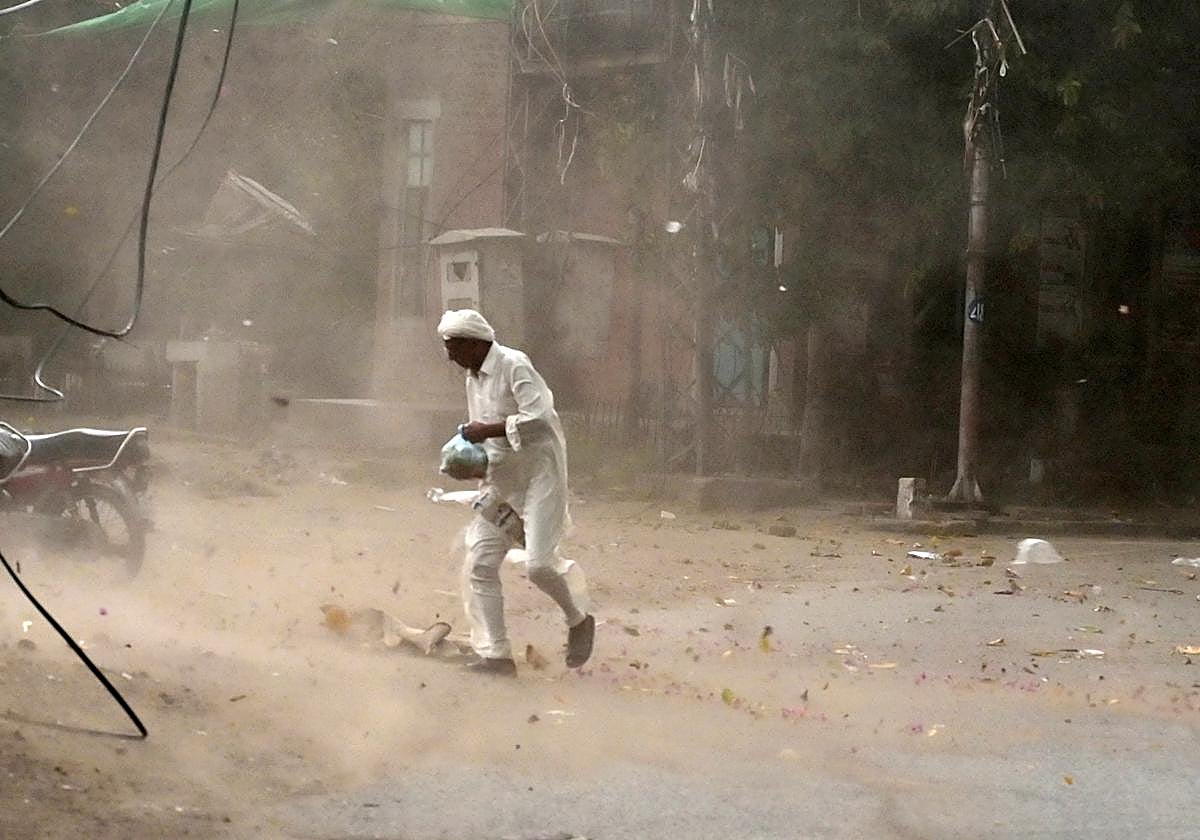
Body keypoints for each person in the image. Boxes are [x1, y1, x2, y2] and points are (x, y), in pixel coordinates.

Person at [437, 309, 594, 676]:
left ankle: (578, 620)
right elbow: (481, 434)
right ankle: (496, 654)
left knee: (539, 565)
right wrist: (472, 464)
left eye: (454, 347)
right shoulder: (472, 378)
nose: (450, 357)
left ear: (475, 344)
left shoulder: (514, 364)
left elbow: (540, 418)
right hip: (502, 480)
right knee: (480, 563)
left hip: (541, 475)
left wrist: (487, 430)